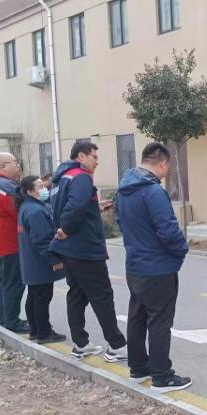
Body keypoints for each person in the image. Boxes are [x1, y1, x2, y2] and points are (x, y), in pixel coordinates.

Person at [117, 143, 192, 393]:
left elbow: (121, 222)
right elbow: (168, 229)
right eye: (167, 167)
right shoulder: (152, 191)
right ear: (162, 163)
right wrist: (182, 250)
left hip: (135, 265)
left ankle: (138, 369)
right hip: (158, 268)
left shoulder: (124, 188)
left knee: (137, 318)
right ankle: (162, 376)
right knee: (159, 322)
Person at [50, 141, 128, 361]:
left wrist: (94, 207)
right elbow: (74, 207)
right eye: (94, 157)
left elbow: (68, 206)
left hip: (69, 249)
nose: (97, 161)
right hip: (83, 248)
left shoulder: (60, 179)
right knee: (102, 295)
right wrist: (66, 228)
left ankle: (80, 343)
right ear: (81, 157)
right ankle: (117, 346)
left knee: (77, 294)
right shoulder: (81, 177)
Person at [16, 175, 67, 344]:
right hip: (40, 262)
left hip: (32, 261)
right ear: (30, 191)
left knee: (34, 296)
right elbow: (42, 240)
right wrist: (54, 259)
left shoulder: (27, 206)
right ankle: (44, 333)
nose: (44, 187)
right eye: (39, 186)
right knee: (42, 298)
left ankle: (35, 330)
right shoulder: (36, 210)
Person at [0, 152, 29, 333]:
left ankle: (5, 319)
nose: (18, 166)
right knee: (14, 283)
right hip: (8, 243)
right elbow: (20, 212)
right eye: (15, 163)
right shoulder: (6, 187)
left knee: (5, 281)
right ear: (3, 166)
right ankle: (11, 321)